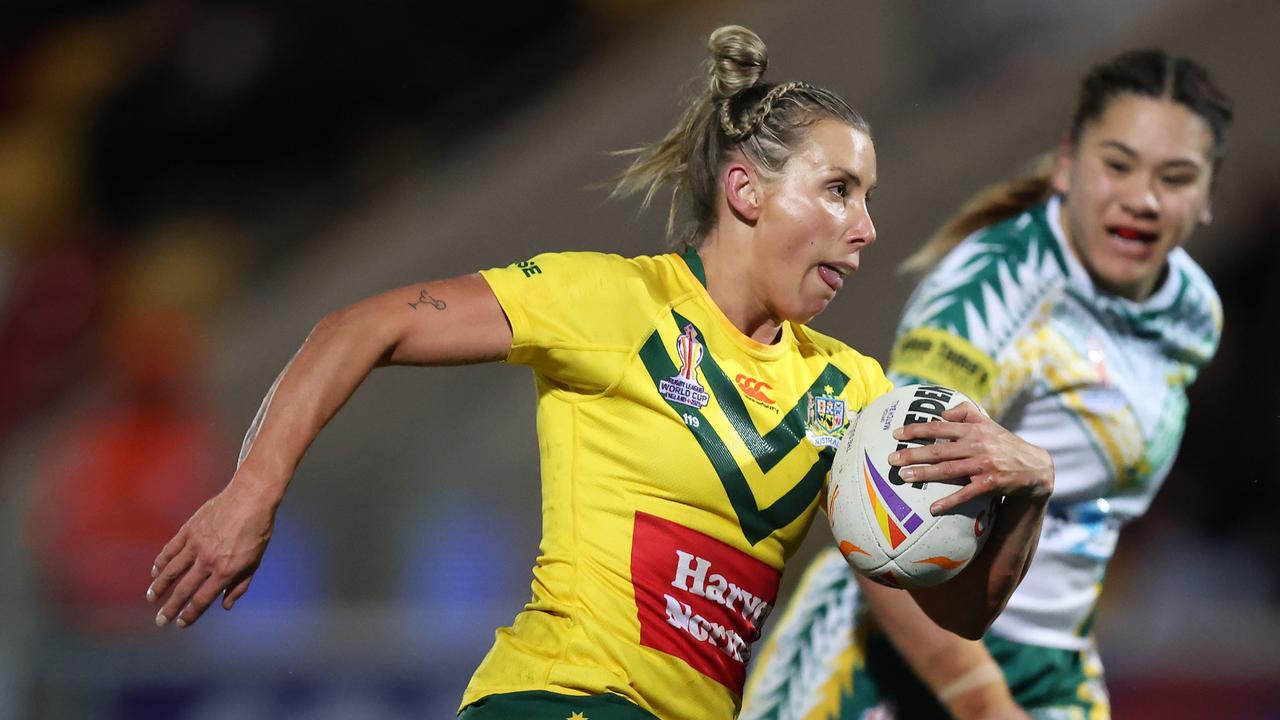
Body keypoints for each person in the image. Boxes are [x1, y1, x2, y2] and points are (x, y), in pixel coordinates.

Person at [145, 26, 1054, 720]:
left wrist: (1026, 492)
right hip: (558, 699)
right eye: (838, 189)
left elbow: (960, 611)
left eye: (869, 199)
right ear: (746, 191)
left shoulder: (856, 395)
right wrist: (251, 492)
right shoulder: (613, 302)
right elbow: (363, 325)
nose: (865, 228)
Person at [740, 49, 1233, 720]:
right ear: (1067, 163)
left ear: (1208, 196)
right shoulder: (992, 292)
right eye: (1117, 165)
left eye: (1176, 178)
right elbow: (875, 505)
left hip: (1051, 660)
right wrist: (982, 701)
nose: (1142, 198)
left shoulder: (1193, 315)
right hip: (895, 654)